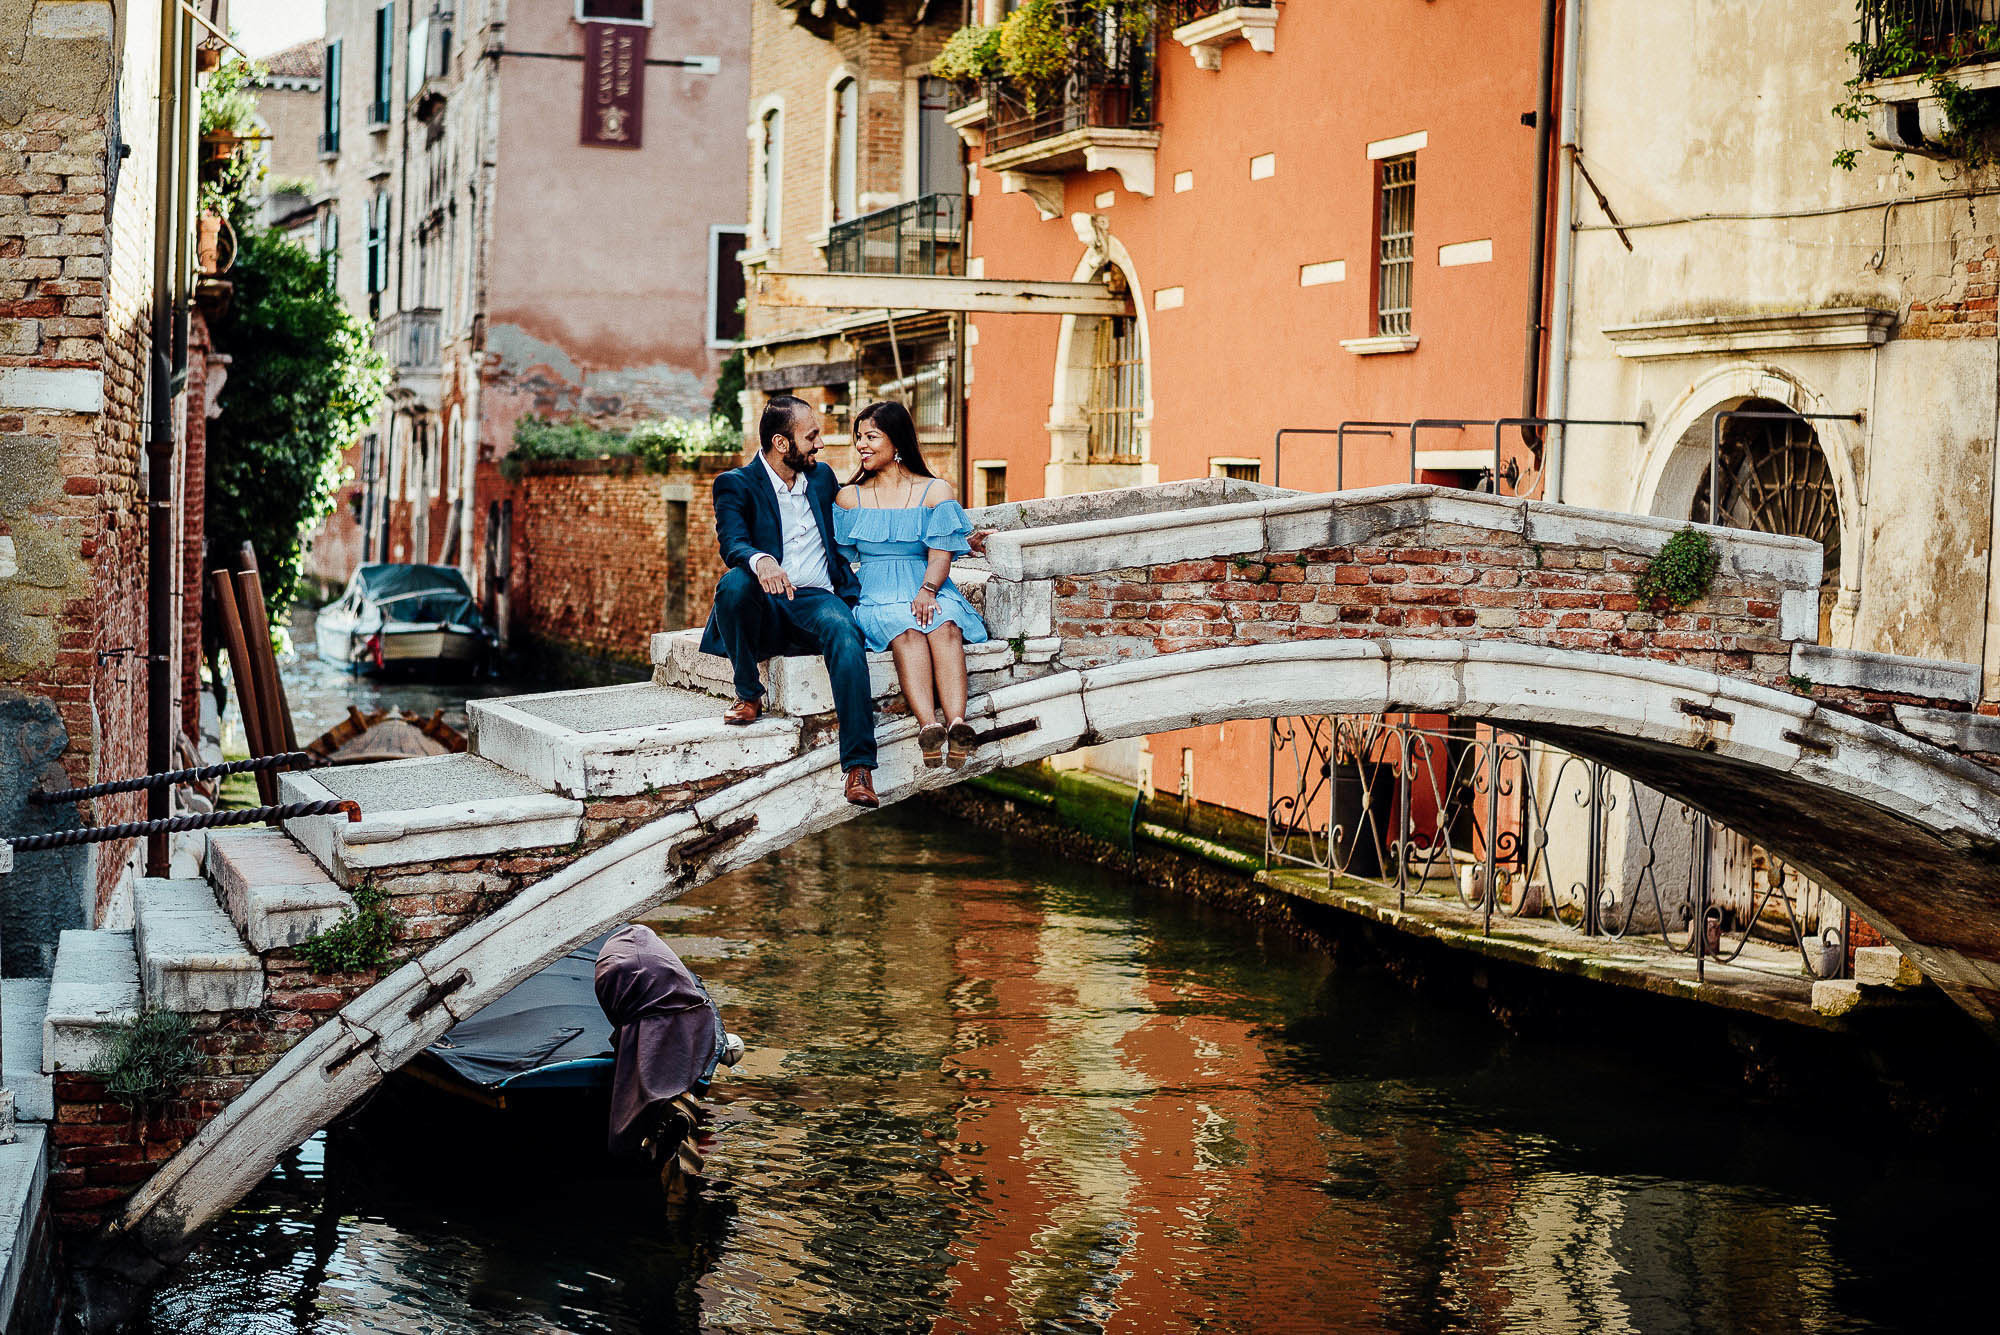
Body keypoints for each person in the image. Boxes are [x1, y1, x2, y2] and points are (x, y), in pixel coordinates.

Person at [700, 394, 880, 807]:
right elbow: (732, 542)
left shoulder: (821, 478)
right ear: (782, 444)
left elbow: (873, 509)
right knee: (732, 585)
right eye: (811, 436)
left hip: (816, 598)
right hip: (765, 600)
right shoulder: (736, 484)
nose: (820, 444)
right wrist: (761, 561)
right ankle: (748, 693)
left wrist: (957, 537)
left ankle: (858, 768)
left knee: (844, 632)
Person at [832, 401, 989, 769]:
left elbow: (939, 553)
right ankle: (929, 727)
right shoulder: (848, 497)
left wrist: (929, 590)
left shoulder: (935, 491)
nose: (861, 445)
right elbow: (839, 558)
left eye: (871, 436)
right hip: (875, 589)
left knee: (946, 623)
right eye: (859, 437)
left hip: (927, 582)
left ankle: (957, 724)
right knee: (906, 631)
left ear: (896, 440)